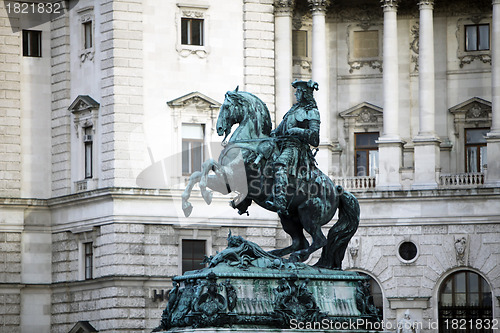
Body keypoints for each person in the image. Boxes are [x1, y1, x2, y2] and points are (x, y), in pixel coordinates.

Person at [266, 80, 321, 215]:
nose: (296, 94)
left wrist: (298, 131)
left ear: (305, 93)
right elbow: (278, 131)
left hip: (296, 148)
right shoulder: (292, 110)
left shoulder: (312, 112)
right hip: (282, 144)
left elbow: (315, 139)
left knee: (280, 165)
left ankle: (280, 201)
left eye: (298, 91)